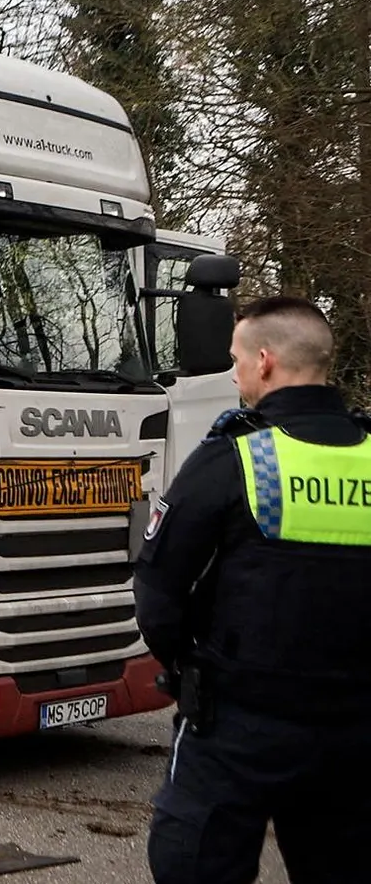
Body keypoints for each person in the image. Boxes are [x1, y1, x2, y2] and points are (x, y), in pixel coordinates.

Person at [135, 296, 371, 883]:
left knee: (196, 864)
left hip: (237, 721)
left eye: (236, 360)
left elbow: (159, 586)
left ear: (264, 362)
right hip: (356, 729)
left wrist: (190, 666)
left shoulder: (236, 459)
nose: (235, 373)